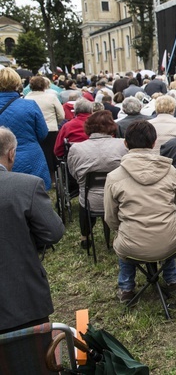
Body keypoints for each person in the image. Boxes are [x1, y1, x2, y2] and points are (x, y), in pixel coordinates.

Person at [0, 127, 64, 374]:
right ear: (12, 154)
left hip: (20, 300)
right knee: (33, 363)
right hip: (21, 299)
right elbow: (53, 232)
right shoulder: (25, 186)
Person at [104, 120, 176, 303]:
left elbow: (110, 217)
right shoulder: (171, 171)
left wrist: (124, 228)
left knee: (125, 239)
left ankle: (126, 287)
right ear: (154, 142)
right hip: (170, 240)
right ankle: (172, 279)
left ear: (125, 143)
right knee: (168, 230)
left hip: (132, 245)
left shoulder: (114, 177)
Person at [67, 111, 128, 250]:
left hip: (90, 199)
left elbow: (74, 173)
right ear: (111, 126)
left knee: (84, 193)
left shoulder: (76, 148)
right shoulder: (123, 145)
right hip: (119, 197)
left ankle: (85, 236)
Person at [0, 69, 50, 188]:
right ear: (17, 83)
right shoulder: (29, 105)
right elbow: (43, 133)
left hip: (2, 157)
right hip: (30, 156)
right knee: (33, 192)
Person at [24, 76, 64, 180]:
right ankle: (54, 177)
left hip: (33, 129)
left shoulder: (27, 97)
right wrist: (55, 122)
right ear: (45, 85)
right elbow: (61, 115)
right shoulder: (51, 97)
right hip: (51, 128)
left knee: (39, 153)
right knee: (52, 154)